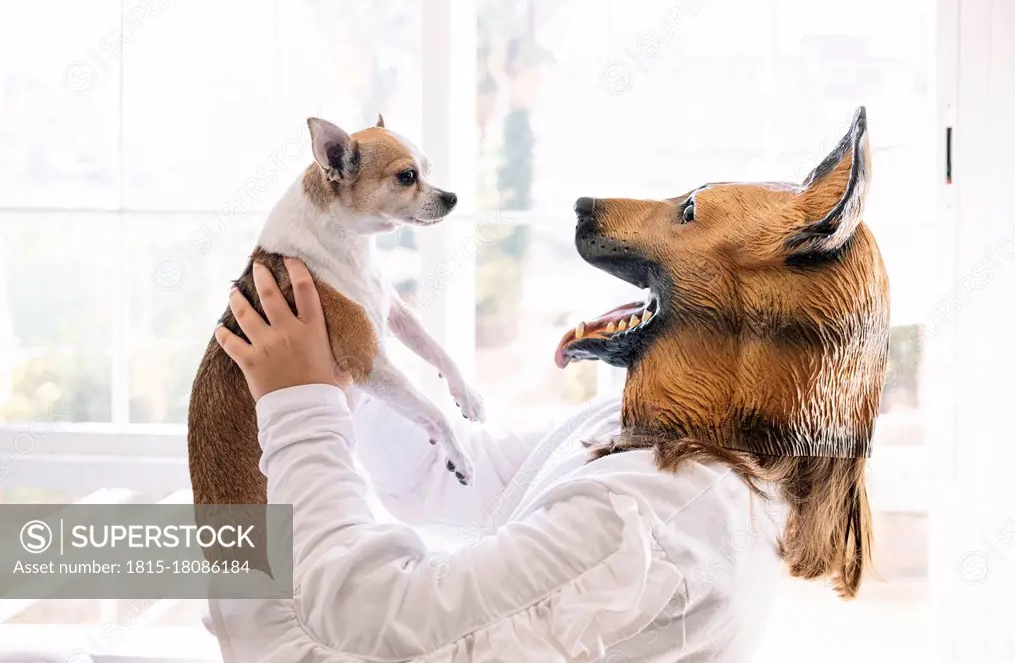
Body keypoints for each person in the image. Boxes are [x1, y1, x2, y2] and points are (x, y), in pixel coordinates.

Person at [210, 258, 786, 662]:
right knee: (146, 553)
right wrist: (342, 370)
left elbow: (360, 618)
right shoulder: (640, 427)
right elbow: (450, 478)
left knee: (152, 555)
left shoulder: (648, 508)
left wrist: (300, 408)